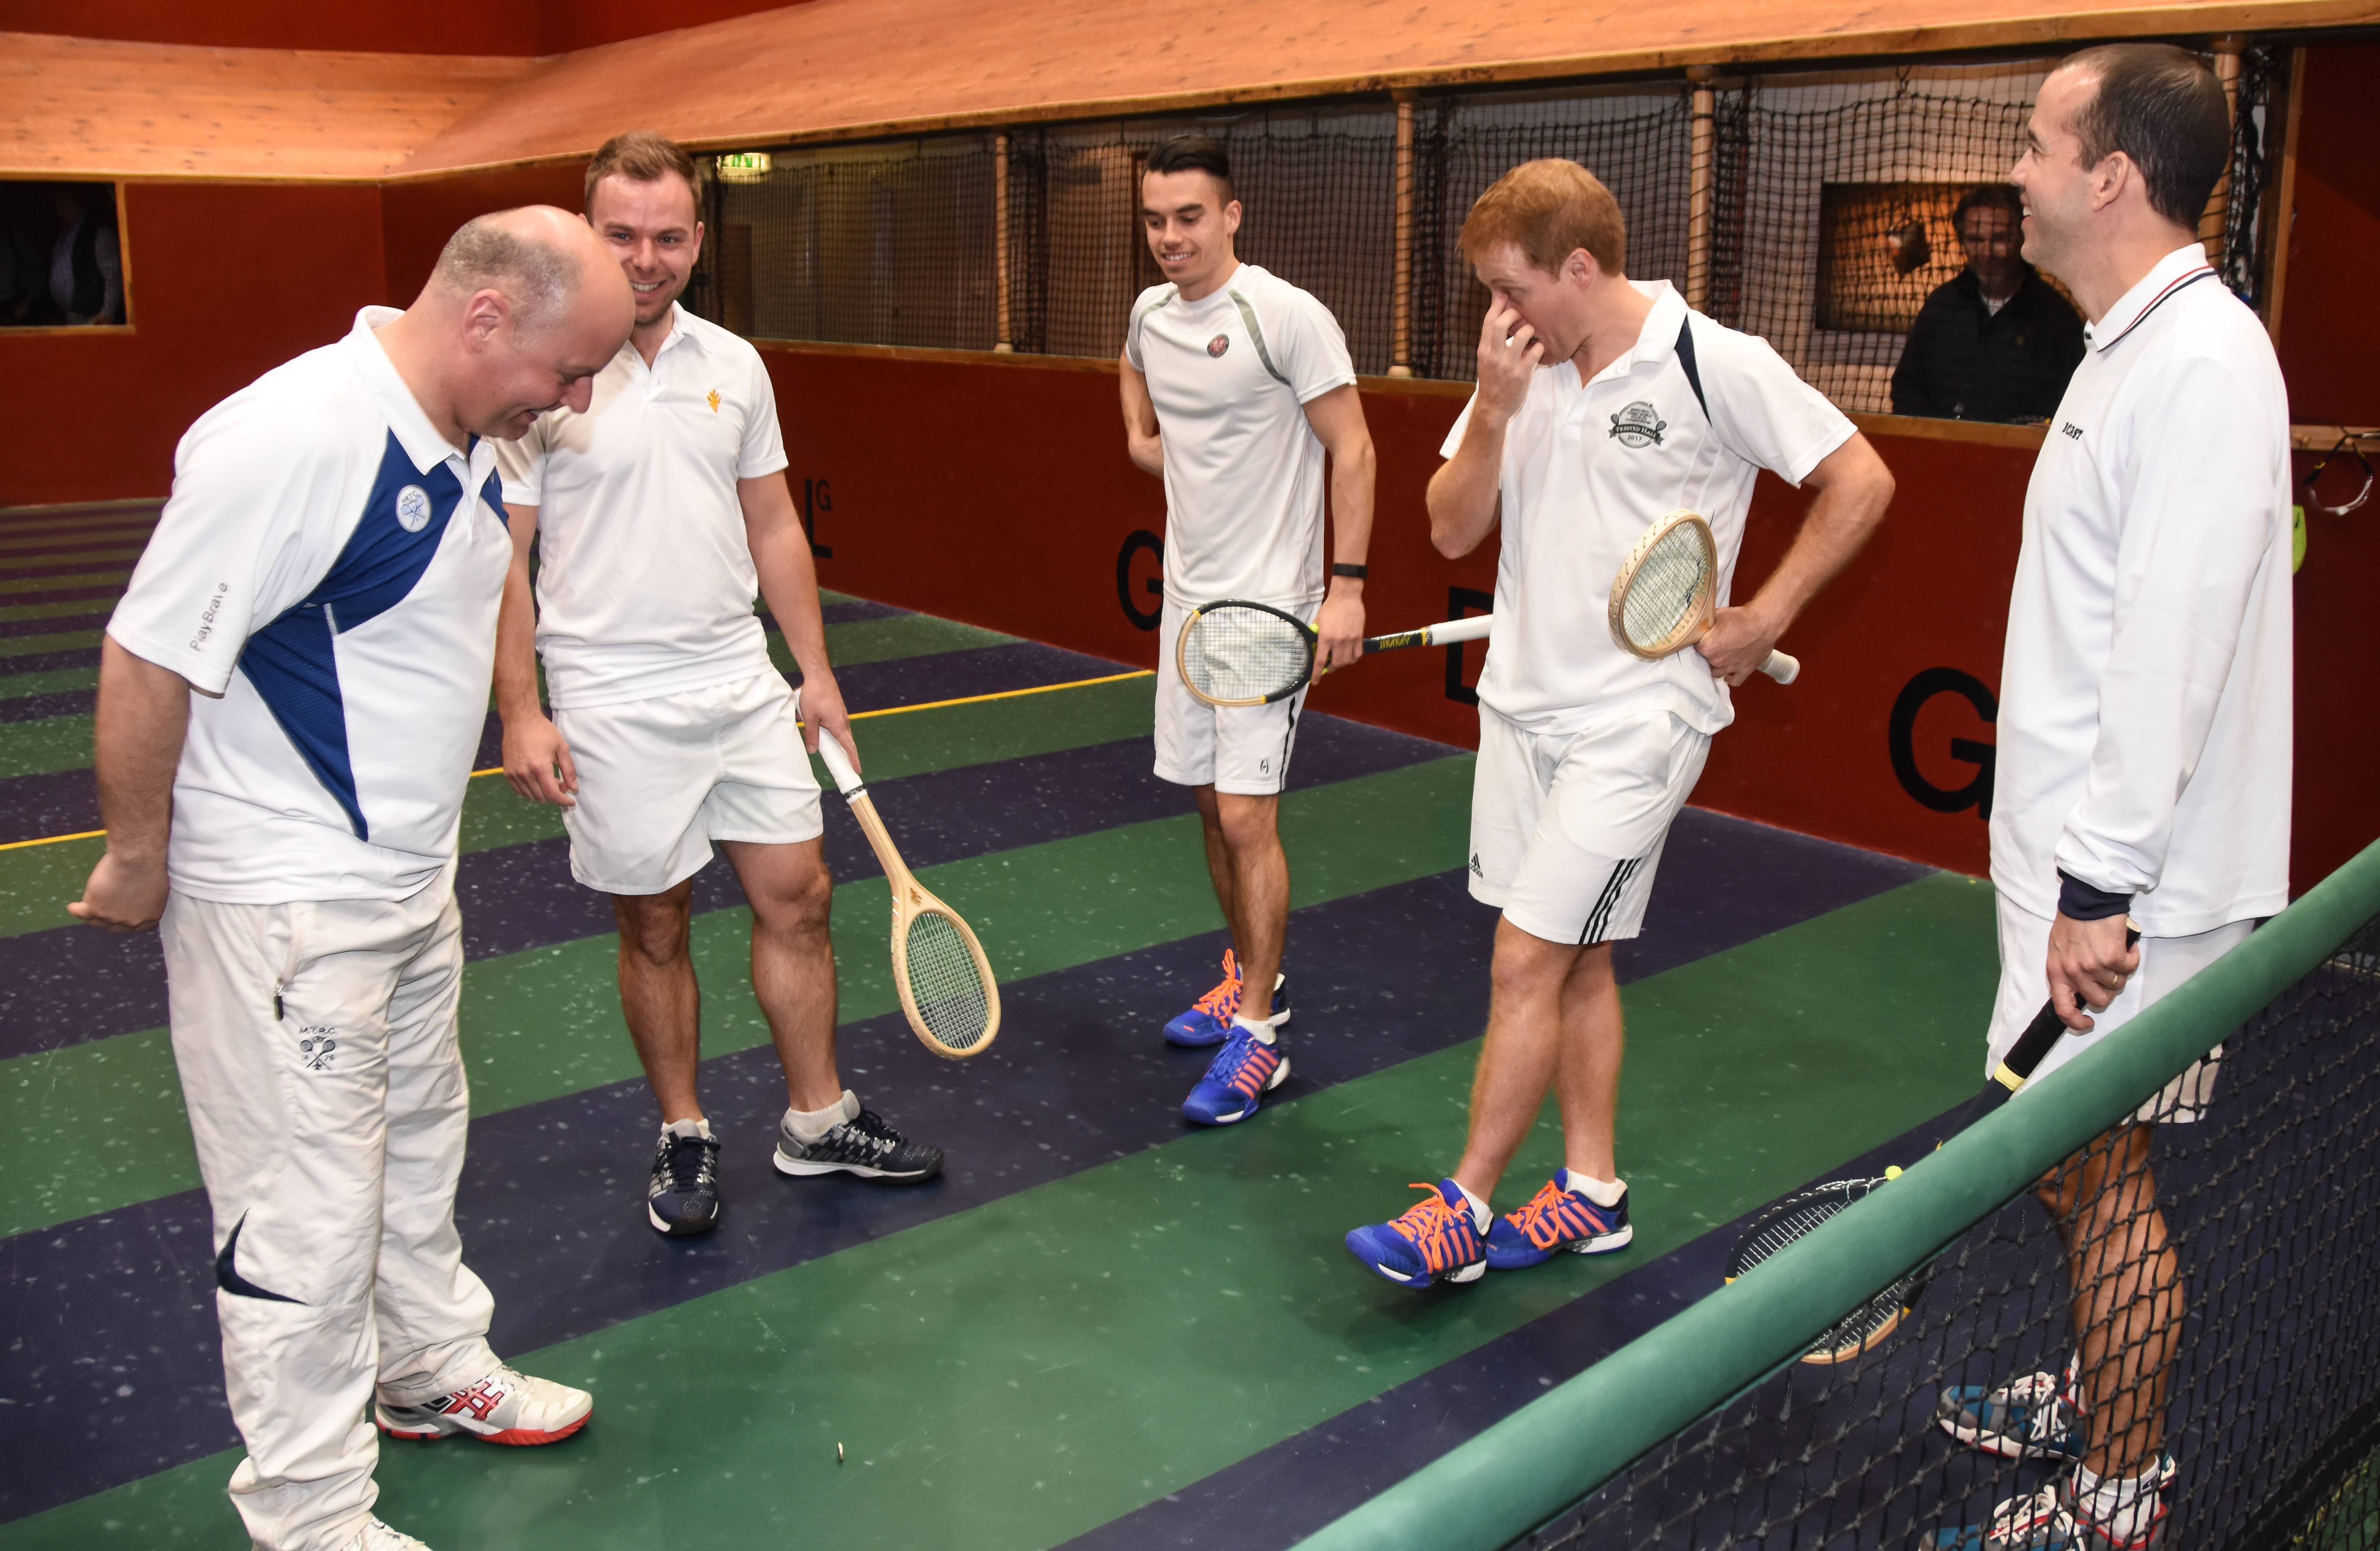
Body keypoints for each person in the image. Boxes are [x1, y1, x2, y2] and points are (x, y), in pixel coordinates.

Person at [70, 208, 634, 1551]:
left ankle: (428, 1367)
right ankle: (310, 1511)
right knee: (304, 1214)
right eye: (569, 370)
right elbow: (148, 654)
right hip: (283, 901)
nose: (576, 400)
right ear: (487, 315)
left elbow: (469, 592)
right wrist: (139, 855)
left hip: (404, 883)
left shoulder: (475, 428)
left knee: (414, 1154)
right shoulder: (294, 437)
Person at [1345, 159, 1894, 1290]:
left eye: (1512, 286)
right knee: (1578, 956)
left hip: (1641, 720)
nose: (1498, 311)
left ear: (1580, 268)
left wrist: (1767, 612)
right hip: (1519, 708)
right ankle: (1592, 1192)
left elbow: (1860, 479)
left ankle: (1461, 1208)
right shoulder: (1518, 367)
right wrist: (1494, 409)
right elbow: (1448, 530)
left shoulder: (1711, 361)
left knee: (1524, 958)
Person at [1932, 45, 2291, 1551]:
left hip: (2126, 893)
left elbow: (2170, 651)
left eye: (2034, 144)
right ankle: (2100, 1386)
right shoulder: (2124, 346)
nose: (2013, 172)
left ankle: (2117, 1495)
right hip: (2080, 866)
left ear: (2112, 176)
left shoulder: (2201, 361)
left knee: (2104, 1175)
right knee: (2081, 1173)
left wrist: (2097, 890)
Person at [493, 131, 943, 1241]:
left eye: (667, 237)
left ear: (698, 240)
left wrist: (815, 671)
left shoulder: (735, 365)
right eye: (621, 235)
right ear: (585, 231)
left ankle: (817, 1118)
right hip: (609, 693)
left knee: (801, 893)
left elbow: (774, 521)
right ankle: (684, 1129)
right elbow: (504, 553)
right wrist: (522, 707)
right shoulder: (541, 371)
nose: (645, 259)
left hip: (738, 677)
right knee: (655, 922)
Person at [1117, 134, 1377, 1126]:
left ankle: (1261, 1031)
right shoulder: (1150, 314)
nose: (1171, 236)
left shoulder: (1283, 316)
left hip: (1271, 603)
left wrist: (1345, 589)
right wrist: (1146, 442)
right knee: (1204, 800)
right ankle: (1243, 974)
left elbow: (1353, 449)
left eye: (1189, 216)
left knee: (1243, 817)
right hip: (1188, 604)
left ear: (1231, 216)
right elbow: (1134, 376)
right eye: (1155, 219)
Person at [1891, 183, 2085, 422]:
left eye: (2000, 238)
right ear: (1962, 242)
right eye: (1975, 239)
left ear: (2022, 238)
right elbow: (1907, 385)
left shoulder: (2056, 319)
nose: (1987, 252)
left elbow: (2073, 404)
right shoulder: (1941, 306)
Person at [47, 183, 124, 326]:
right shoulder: (63, 234)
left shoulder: (98, 234)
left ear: (78, 201)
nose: (61, 207)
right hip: (70, 316)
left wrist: (108, 313)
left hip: (94, 318)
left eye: (65, 201)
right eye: (57, 203)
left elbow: (113, 275)